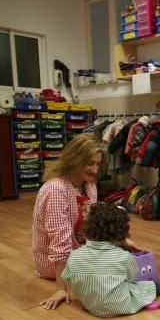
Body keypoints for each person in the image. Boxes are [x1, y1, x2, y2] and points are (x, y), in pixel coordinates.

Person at [61, 203, 160, 318]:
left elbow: (68, 279)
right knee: (152, 287)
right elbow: (133, 278)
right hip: (122, 305)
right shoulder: (124, 257)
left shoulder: (74, 256)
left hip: (91, 307)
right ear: (121, 235)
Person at [32, 133, 103, 310]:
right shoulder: (56, 189)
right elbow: (60, 242)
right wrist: (61, 289)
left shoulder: (89, 185)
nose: (95, 170)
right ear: (75, 159)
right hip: (53, 262)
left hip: (79, 252)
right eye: (90, 163)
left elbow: (93, 226)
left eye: (98, 164)